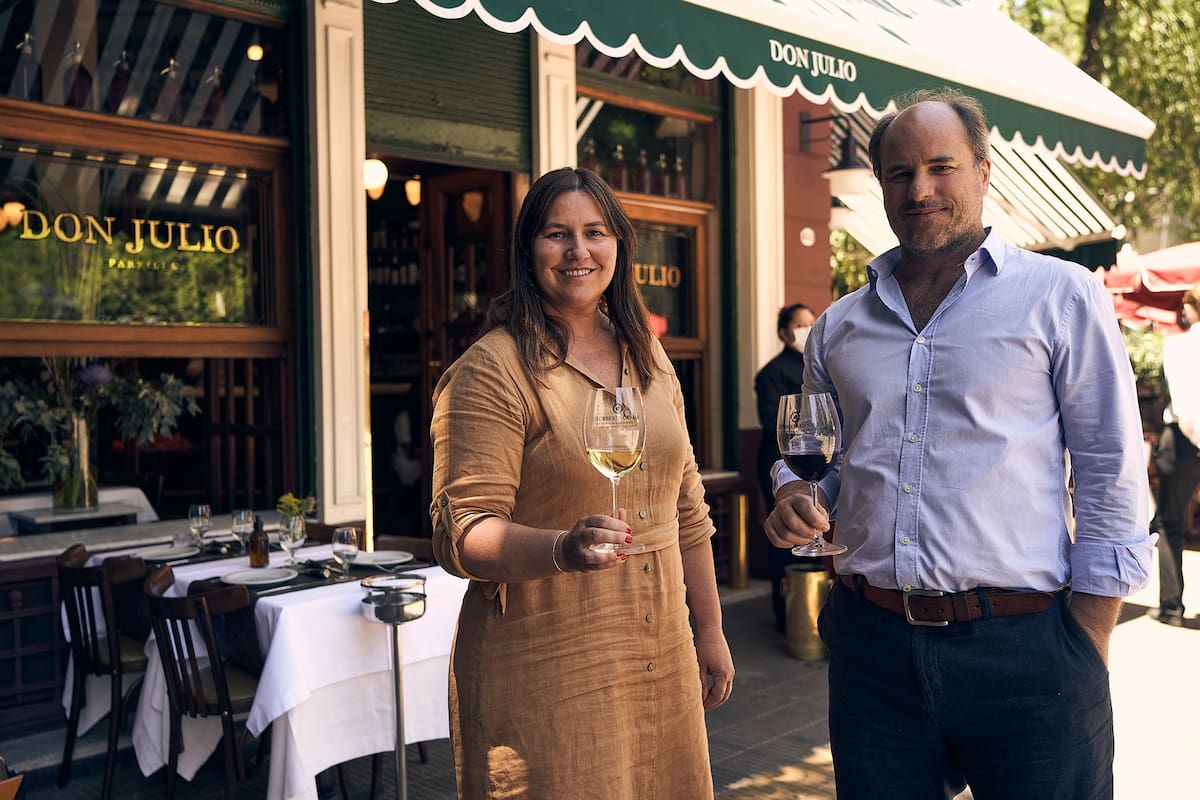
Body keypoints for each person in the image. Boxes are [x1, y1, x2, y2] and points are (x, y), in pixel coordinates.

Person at [763, 87, 1154, 799]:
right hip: (872, 651)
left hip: (1027, 650)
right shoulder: (840, 325)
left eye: (941, 167)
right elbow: (813, 459)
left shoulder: (1061, 295)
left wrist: (1085, 642)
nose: (920, 189)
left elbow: (1112, 468)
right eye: (899, 174)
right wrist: (792, 491)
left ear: (982, 169)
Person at [429, 166, 734, 799]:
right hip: (549, 663)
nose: (578, 251)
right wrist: (561, 549)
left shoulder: (647, 356)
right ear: (527, 251)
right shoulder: (492, 368)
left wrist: (709, 633)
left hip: (661, 654)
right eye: (556, 234)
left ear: (619, 246)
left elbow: (688, 513)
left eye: (595, 232)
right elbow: (462, 534)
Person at [754, 302, 818, 633]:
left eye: (812, 322)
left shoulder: (820, 367)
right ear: (784, 332)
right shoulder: (772, 373)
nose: (807, 329)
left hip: (817, 461)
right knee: (787, 532)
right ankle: (786, 613)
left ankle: (814, 611)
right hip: (780, 460)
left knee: (815, 530)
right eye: (800, 324)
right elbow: (772, 423)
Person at [1150, 284, 1200, 625]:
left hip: (1185, 441)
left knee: (1169, 522)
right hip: (1188, 438)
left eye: (1186, 302)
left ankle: (1172, 606)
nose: (1181, 309)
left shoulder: (1181, 345)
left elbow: (1185, 405)